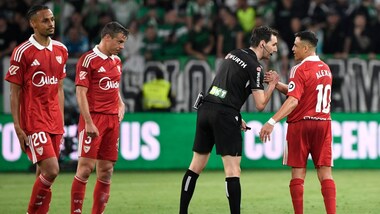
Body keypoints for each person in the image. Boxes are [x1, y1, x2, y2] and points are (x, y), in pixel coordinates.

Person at [179, 26, 280, 214]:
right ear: (263, 44)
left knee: (195, 166)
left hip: (206, 108)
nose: (275, 49)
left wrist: (237, 114)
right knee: (233, 171)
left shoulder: (233, 54)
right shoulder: (255, 67)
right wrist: (272, 85)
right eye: (274, 45)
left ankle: (182, 212)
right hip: (224, 115)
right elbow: (260, 105)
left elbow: (224, 86)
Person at [259, 31, 336, 214]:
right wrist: (278, 85)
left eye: (295, 45)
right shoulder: (325, 68)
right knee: (325, 173)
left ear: (306, 48)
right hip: (323, 124)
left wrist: (272, 121)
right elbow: (301, 94)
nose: (292, 49)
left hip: (300, 125)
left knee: (298, 173)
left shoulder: (299, 69)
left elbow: (294, 101)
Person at [4, 5, 68, 213]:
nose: (51, 24)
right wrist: (17, 125)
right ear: (33, 23)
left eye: (52, 19)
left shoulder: (61, 50)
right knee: (52, 170)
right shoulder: (22, 52)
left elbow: (58, 88)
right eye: (45, 20)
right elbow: (15, 92)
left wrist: (62, 119)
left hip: (54, 120)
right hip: (34, 119)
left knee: (42, 171)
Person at [70, 21, 129, 214]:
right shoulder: (88, 60)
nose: (122, 47)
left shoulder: (116, 61)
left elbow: (114, 86)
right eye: (119, 42)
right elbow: (80, 92)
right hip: (94, 119)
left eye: (123, 43)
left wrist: (120, 103)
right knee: (86, 168)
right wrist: (88, 122)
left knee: (106, 170)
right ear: (106, 37)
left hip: (113, 121)